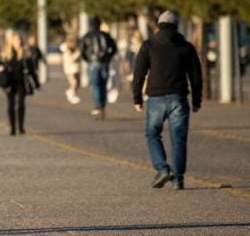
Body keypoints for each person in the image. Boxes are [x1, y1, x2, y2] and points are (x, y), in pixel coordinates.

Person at [132, 11, 202, 191]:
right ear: (176, 26)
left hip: (155, 98)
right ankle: (178, 180)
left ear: (159, 25)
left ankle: (162, 168)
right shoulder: (186, 47)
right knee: (179, 139)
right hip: (179, 98)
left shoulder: (149, 45)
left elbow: (138, 74)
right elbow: (196, 76)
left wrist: (137, 99)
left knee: (152, 133)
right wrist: (196, 100)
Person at [0, 33, 40, 136]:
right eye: (16, 40)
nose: (19, 42)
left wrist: (36, 82)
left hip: (22, 82)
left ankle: (21, 127)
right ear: (11, 42)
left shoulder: (25, 54)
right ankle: (12, 128)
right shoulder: (5, 54)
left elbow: (32, 70)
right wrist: (0, 68)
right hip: (9, 82)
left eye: (20, 40)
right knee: (11, 104)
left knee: (21, 104)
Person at [80, 16, 118, 120]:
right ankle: (102, 106)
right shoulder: (106, 35)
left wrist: (88, 60)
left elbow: (82, 51)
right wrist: (107, 58)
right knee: (103, 85)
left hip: (93, 63)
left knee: (95, 85)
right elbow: (114, 49)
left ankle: (98, 105)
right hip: (104, 63)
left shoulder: (87, 36)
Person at [60, 38, 81, 104]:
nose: (72, 44)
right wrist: (78, 53)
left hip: (76, 69)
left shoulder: (75, 50)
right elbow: (72, 59)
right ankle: (71, 95)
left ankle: (72, 93)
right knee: (73, 83)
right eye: (71, 43)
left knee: (78, 84)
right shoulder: (66, 51)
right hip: (69, 70)